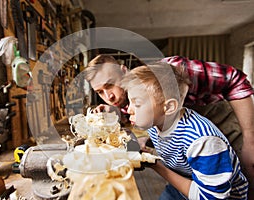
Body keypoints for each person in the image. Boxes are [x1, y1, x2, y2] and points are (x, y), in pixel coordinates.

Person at [84, 54, 254, 198]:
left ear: (123, 71)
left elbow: (234, 79)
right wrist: (117, 116)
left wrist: (249, 139)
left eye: (110, 85)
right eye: (100, 92)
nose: (108, 96)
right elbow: (162, 122)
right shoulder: (134, 100)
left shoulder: (173, 73)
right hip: (189, 158)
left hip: (227, 128)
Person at [121, 64, 248, 199]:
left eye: (138, 104)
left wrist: (155, 165)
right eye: (130, 102)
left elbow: (211, 197)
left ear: (169, 107)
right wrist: (143, 141)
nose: (129, 110)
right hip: (183, 182)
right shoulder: (157, 121)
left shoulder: (203, 142)